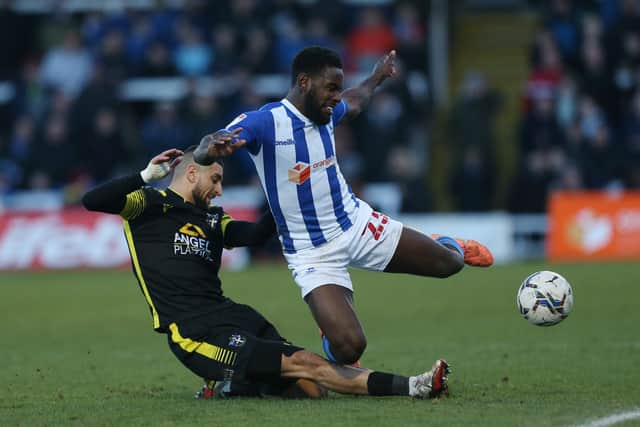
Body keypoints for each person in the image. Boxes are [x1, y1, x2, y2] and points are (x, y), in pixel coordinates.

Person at [194, 46, 494, 366]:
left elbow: (356, 99)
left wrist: (377, 76)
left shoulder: (326, 111)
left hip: (357, 223)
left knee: (450, 264)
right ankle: (330, 329)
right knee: (350, 348)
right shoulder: (266, 122)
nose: (336, 97)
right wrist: (211, 147)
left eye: (338, 88)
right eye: (331, 88)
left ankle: (447, 244)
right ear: (305, 82)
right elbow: (208, 146)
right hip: (311, 251)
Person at [81, 145, 451, 399]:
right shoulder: (146, 205)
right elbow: (93, 200)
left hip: (234, 316)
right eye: (216, 180)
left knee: (311, 389)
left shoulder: (212, 219)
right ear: (191, 173)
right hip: (193, 331)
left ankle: (231, 388)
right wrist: (146, 174)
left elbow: (256, 234)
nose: (220, 189)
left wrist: (290, 191)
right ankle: (414, 386)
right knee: (306, 364)